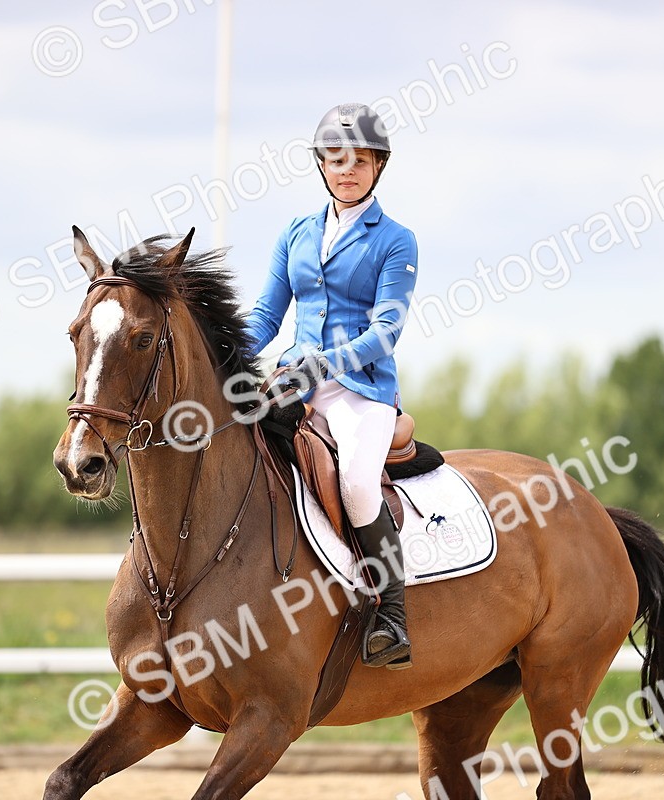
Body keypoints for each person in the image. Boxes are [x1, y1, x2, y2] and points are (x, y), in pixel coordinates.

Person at [244, 102, 418, 669]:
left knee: (358, 485)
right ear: (322, 164)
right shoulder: (296, 232)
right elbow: (268, 316)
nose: (347, 170)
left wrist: (323, 365)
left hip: (360, 390)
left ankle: (391, 614)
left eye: (360, 161)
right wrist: (227, 356)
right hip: (292, 382)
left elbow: (386, 329)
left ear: (378, 166)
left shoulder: (395, 239)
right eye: (336, 159)